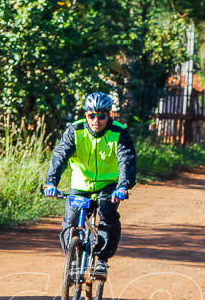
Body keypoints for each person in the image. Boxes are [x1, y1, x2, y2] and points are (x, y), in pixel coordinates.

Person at [43, 92, 136, 280]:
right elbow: (59, 156)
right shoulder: (75, 130)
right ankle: (74, 257)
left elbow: (126, 160)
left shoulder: (119, 132)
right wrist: (51, 182)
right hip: (81, 185)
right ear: (85, 115)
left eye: (101, 115)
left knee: (108, 216)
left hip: (109, 185)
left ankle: (101, 260)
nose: (96, 120)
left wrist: (123, 186)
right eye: (91, 115)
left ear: (109, 115)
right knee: (70, 222)